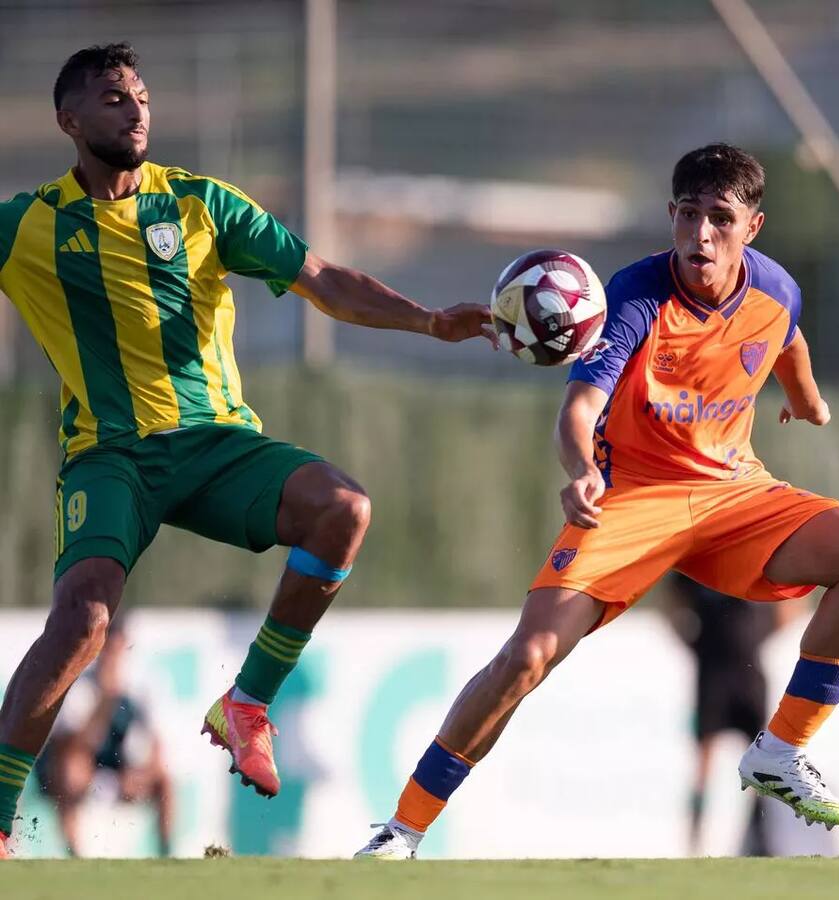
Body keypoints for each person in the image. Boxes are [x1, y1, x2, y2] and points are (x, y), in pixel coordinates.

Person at [0, 43, 494, 859]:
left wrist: (429, 320)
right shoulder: (27, 226)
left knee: (343, 510)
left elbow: (323, 279)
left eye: (142, 95)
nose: (136, 109)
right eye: (115, 97)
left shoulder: (201, 205)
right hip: (109, 456)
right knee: (84, 620)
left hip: (215, 443)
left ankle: (248, 702)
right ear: (69, 121)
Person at [355, 142, 839, 859]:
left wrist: (808, 402)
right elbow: (579, 407)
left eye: (720, 218)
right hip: (630, 499)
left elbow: (788, 338)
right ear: (671, 215)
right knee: (526, 656)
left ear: (753, 227)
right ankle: (402, 829)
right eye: (687, 215)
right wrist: (581, 468)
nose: (700, 235)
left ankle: (780, 751)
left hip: (733, 493)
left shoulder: (776, 289)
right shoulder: (636, 296)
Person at [662, 572, 800, 856]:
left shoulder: (759, 565)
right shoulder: (698, 566)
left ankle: (760, 839)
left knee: (760, 761)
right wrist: (692, 641)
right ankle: (694, 843)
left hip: (750, 676)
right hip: (711, 676)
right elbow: (671, 601)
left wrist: (758, 636)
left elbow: (793, 600)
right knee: (703, 762)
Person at [34, 617, 172, 857]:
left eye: (117, 648)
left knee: (165, 781)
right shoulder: (79, 684)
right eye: (107, 649)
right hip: (80, 769)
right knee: (69, 772)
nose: (113, 657)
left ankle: (166, 854)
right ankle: (75, 857)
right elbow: (69, 748)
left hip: (120, 768)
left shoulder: (142, 685)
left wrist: (142, 773)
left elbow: (158, 745)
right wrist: (105, 701)